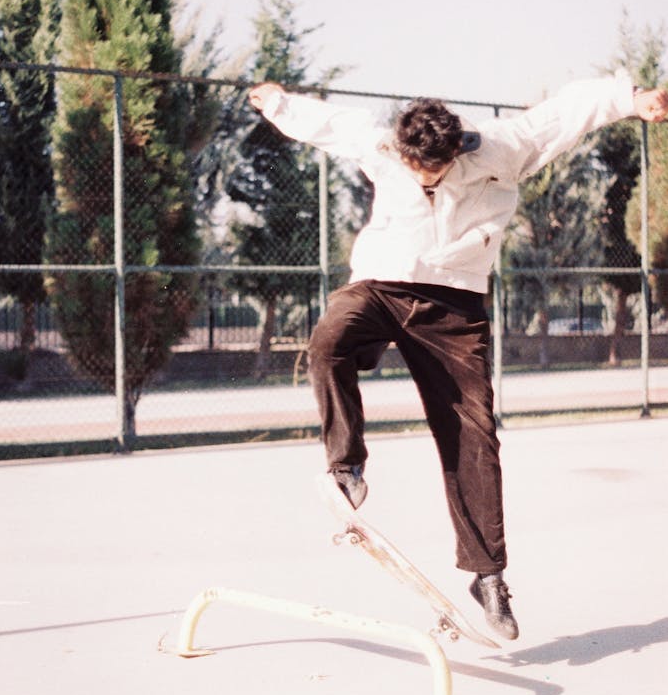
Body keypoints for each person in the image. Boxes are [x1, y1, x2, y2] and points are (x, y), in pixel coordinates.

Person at [248, 73, 668, 639]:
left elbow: (566, 115)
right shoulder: (379, 141)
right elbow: (324, 123)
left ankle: (487, 575)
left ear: (456, 150)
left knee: (474, 434)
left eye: (436, 169)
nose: (427, 178)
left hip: (456, 302)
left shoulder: (502, 146)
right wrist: (275, 101)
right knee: (328, 341)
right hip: (382, 283)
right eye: (417, 168)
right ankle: (347, 467)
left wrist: (629, 100)